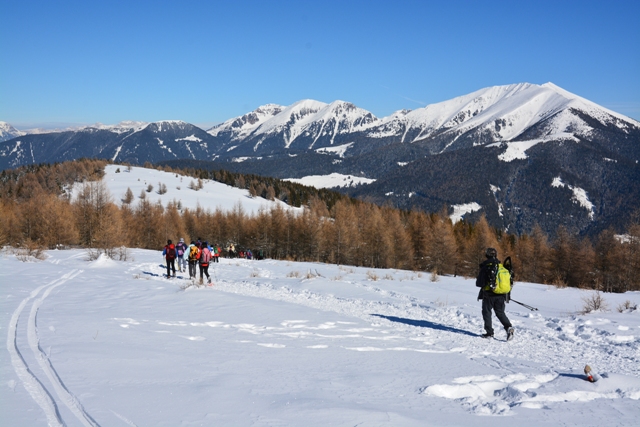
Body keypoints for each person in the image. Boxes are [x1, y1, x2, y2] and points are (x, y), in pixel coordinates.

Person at [476, 247, 514, 340]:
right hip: (501, 295)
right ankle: (508, 327)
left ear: (487, 255)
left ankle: (489, 333)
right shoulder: (501, 266)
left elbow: (479, 283)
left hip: (489, 295)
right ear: (496, 255)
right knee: (500, 313)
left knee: (487, 313)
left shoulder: (486, 266)